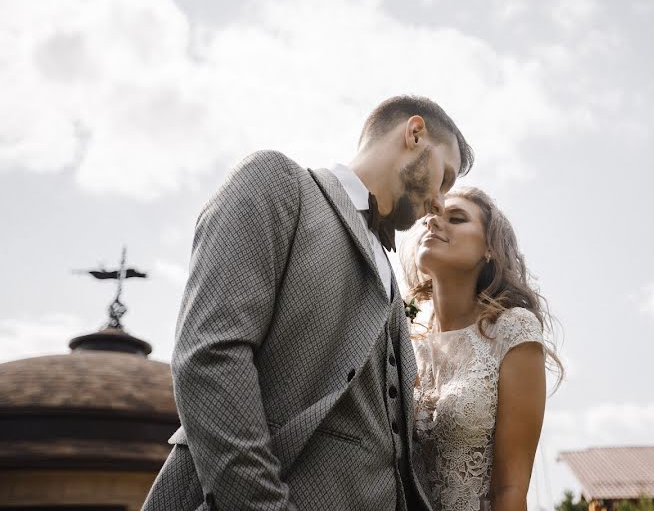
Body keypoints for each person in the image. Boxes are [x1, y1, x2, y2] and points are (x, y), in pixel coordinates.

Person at [143, 95, 473, 511]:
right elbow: (210, 357)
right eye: (444, 178)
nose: (441, 202)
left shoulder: (389, 274)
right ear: (414, 133)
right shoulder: (277, 182)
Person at [401, 187, 563, 511]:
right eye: (430, 218)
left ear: (489, 248)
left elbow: (510, 492)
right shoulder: (404, 336)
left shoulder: (513, 330)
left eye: (456, 219)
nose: (433, 224)